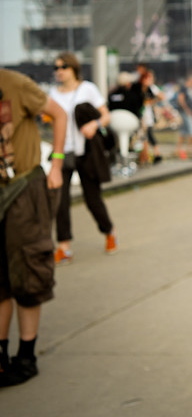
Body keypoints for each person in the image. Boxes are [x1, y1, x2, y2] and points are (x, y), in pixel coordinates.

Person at [0, 68, 66, 387]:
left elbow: (59, 114)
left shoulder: (14, 83)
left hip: (23, 189)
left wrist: (56, 164)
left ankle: (26, 356)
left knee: (28, 273)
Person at [49, 52, 117, 262]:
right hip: (63, 151)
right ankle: (64, 246)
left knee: (92, 199)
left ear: (73, 68)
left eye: (63, 67)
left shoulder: (87, 89)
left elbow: (106, 116)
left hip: (86, 152)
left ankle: (109, 232)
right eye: (56, 68)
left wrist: (93, 125)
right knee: (60, 201)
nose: (59, 71)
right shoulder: (53, 93)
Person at [172, 75, 192, 160]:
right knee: (191, 132)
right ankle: (188, 149)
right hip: (185, 113)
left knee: (183, 132)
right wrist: (186, 109)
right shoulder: (184, 89)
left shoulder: (187, 89)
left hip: (185, 112)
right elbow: (180, 99)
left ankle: (178, 150)